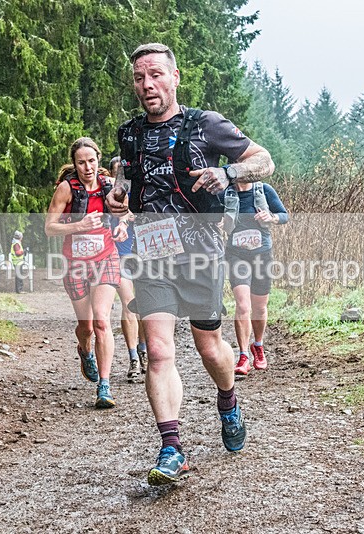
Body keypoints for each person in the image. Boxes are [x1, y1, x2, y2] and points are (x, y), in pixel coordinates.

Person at [106, 43, 275, 486]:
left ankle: (228, 401)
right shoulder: (128, 133)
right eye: (140, 78)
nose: (148, 85)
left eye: (156, 75)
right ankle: (171, 448)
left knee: (209, 348)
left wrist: (228, 174)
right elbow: (127, 174)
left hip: (200, 253)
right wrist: (119, 191)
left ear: (175, 77)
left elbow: (264, 160)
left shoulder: (206, 124)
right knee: (159, 349)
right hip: (150, 252)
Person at [45, 137, 128, 409]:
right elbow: (50, 228)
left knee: (103, 321)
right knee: (87, 326)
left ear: (98, 160)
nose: (87, 167)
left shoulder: (108, 186)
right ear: (75, 163)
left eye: (91, 161)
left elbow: (126, 213)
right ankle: (84, 350)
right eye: (81, 162)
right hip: (76, 263)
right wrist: (79, 225)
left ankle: (104, 386)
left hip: (106, 257)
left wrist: (122, 226)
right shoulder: (66, 189)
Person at [221, 181, 288, 376]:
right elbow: (211, 213)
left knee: (259, 308)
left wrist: (272, 217)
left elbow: (284, 215)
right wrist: (216, 220)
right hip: (236, 255)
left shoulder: (263, 190)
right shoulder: (226, 192)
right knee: (243, 305)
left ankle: (257, 346)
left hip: (262, 254)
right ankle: (243, 356)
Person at [109, 155, 148, 382]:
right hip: (119, 253)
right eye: (117, 173)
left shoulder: (145, 193)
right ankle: (133, 358)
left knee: (144, 307)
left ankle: (143, 351)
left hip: (143, 254)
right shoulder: (111, 197)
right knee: (128, 304)